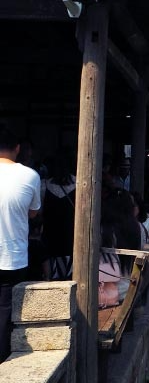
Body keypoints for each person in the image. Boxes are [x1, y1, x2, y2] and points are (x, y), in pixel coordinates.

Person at [0, 125, 42, 361]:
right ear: (17, 148)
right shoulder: (30, 176)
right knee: (6, 310)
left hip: (13, 255)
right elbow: (33, 212)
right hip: (12, 256)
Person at [41, 149, 77, 280]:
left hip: (51, 239)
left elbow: (39, 212)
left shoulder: (44, 186)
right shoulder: (80, 184)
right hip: (72, 239)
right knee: (71, 277)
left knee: (52, 277)